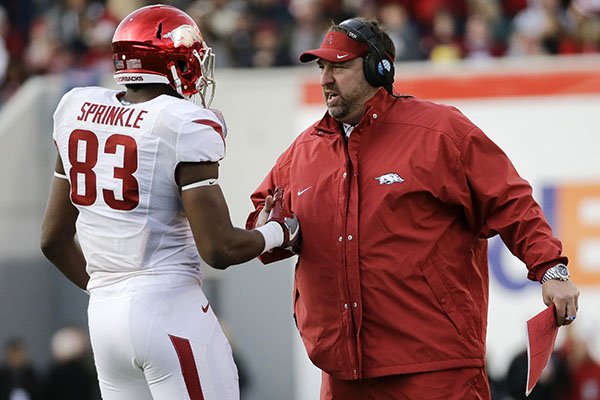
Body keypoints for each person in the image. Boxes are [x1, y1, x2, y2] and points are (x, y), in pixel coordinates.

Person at [246, 17, 580, 399]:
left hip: (435, 369)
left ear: (378, 68)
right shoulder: (303, 151)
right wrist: (269, 228)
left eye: (338, 66)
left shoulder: (439, 132)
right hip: (341, 373)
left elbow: (510, 200)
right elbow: (262, 218)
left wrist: (550, 268)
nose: (325, 78)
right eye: (322, 67)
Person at [39, 5, 297, 400]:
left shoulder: (77, 108)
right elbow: (219, 248)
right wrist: (280, 231)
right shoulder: (182, 122)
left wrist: (114, 294)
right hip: (169, 309)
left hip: (104, 318)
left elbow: (52, 240)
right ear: (173, 62)